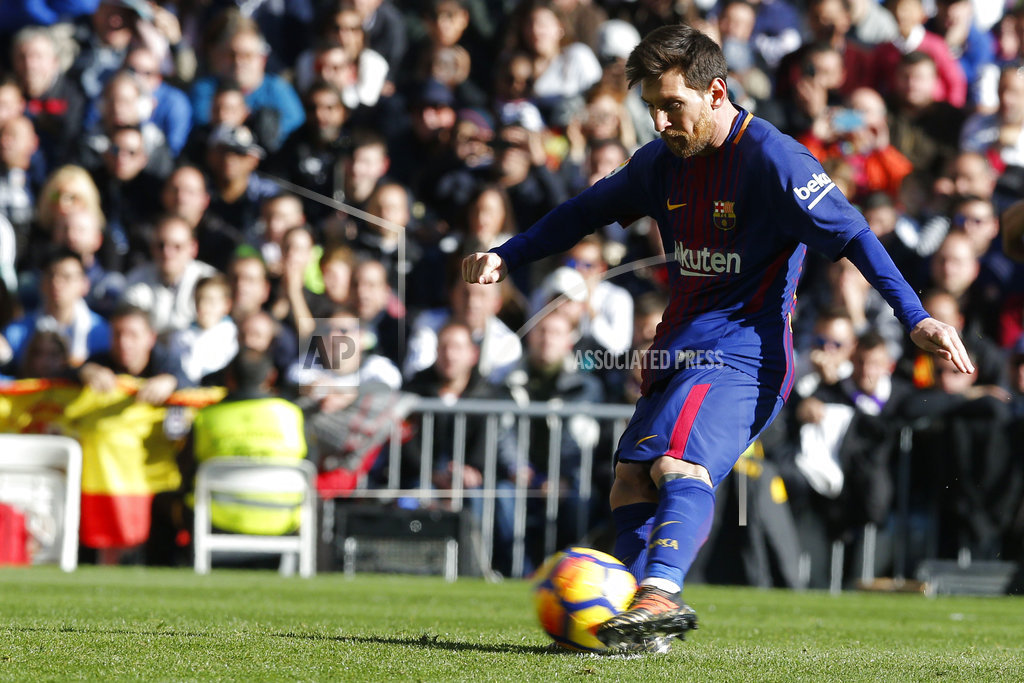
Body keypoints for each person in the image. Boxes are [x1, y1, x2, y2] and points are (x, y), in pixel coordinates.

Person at [462, 24, 971, 653]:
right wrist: (509, 254)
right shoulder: (661, 161)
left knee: (678, 464)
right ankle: (628, 627)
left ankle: (659, 593)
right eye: (650, 106)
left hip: (745, 352)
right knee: (630, 480)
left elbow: (856, 236)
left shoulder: (773, 159)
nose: (658, 120)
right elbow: (582, 212)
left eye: (671, 104)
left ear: (715, 92)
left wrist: (914, 315)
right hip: (677, 343)